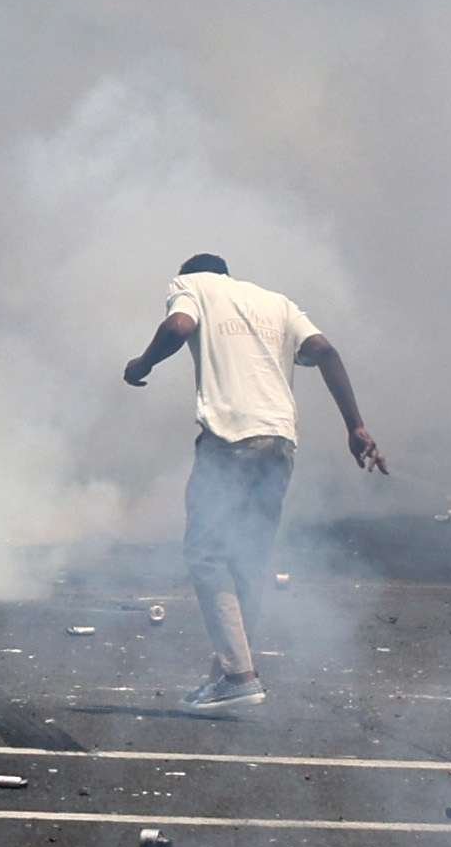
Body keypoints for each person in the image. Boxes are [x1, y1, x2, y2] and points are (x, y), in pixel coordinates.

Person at [121, 251, 388, 716]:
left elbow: (178, 327)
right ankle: (224, 678)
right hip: (279, 440)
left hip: (230, 437)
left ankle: (239, 676)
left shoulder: (192, 285)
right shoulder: (276, 302)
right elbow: (324, 350)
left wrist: (141, 365)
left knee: (205, 553)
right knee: (248, 559)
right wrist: (356, 426)